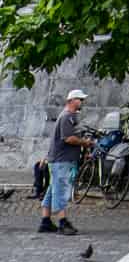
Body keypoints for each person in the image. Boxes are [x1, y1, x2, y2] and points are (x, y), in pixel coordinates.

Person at [39, 88, 92, 234]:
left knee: (53, 189)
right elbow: (68, 138)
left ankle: (45, 221)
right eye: (80, 99)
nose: (82, 102)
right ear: (71, 101)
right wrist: (85, 143)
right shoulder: (67, 117)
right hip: (62, 160)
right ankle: (62, 222)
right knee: (60, 190)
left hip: (60, 159)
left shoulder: (71, 116)